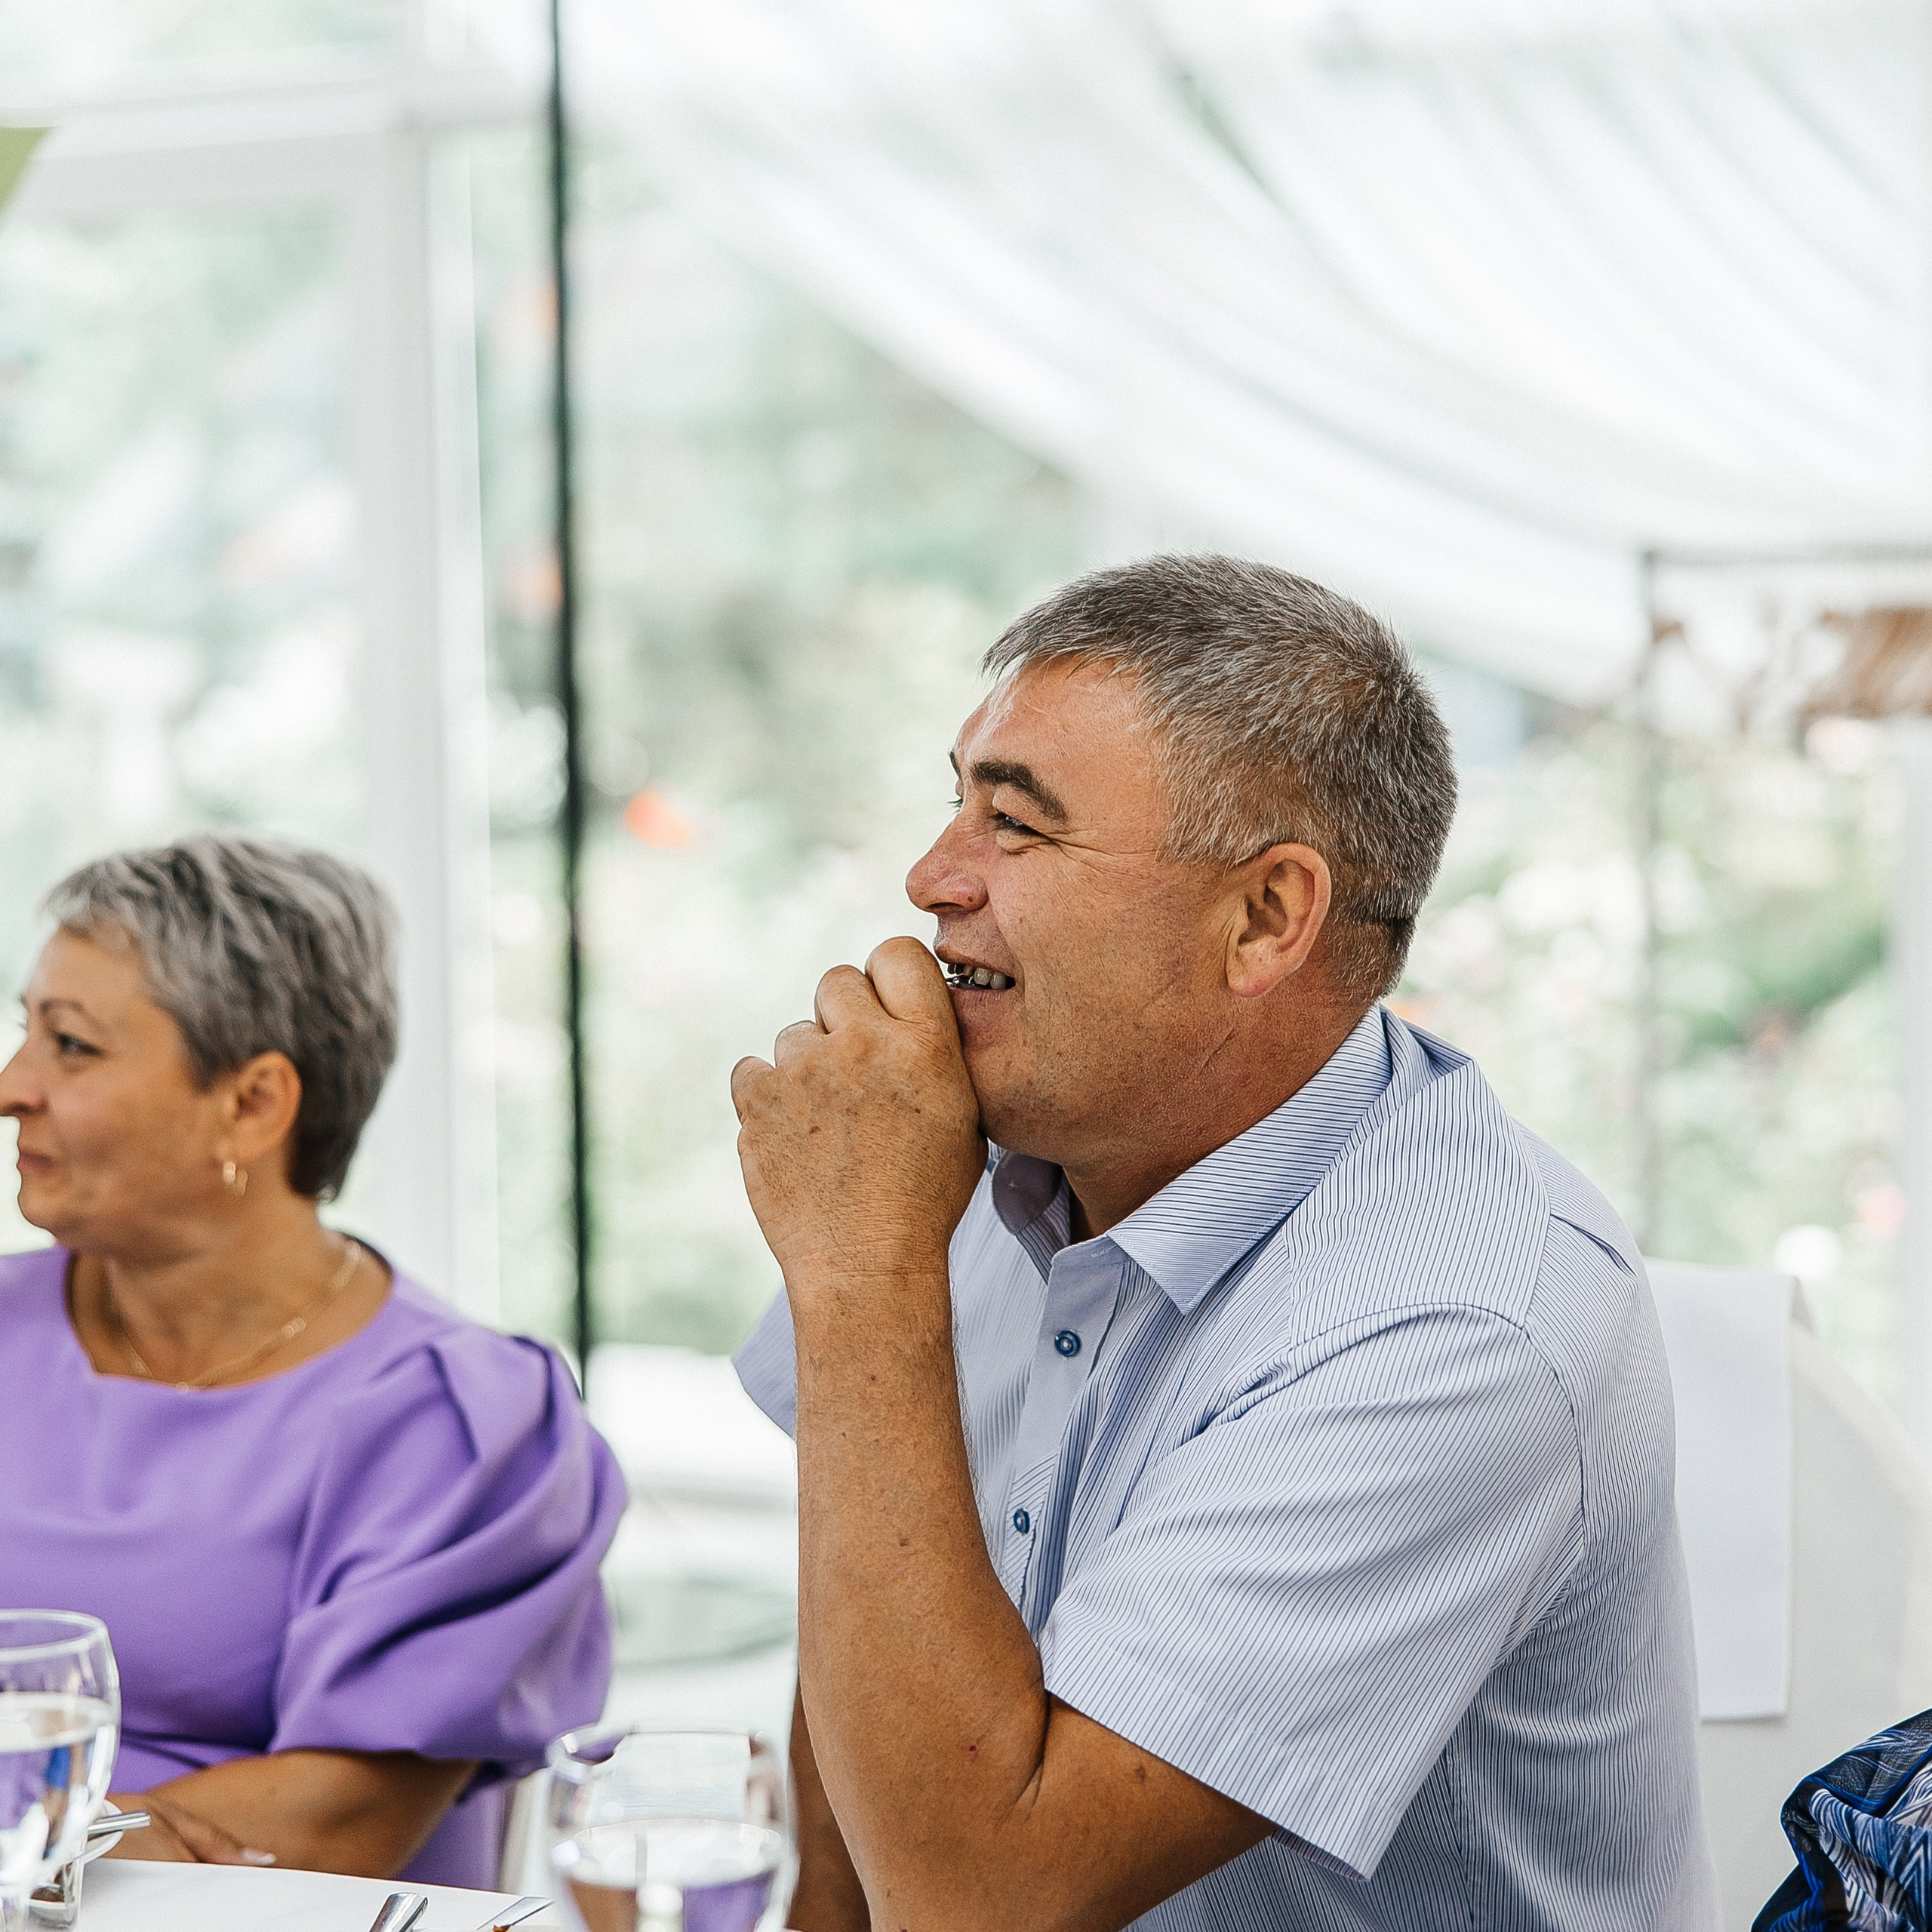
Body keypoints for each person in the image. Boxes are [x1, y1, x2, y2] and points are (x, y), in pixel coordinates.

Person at [731, 556, 1718, 1931]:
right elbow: (865, 1616)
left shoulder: (1460, 1326)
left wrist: (860, 1275)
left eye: (1015, 824)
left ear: (1264, 919)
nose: (932, 876)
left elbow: (978, 1902)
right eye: (955, 800)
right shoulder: (963, 1157)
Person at [0, 833, 626, 1887]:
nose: (14, 1086)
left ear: (252, 1104)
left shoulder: (462, 1422)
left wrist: (34, 1846)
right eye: (28, 1032)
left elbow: (332, 1830)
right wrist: (150, 1823)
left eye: (71, 1046)